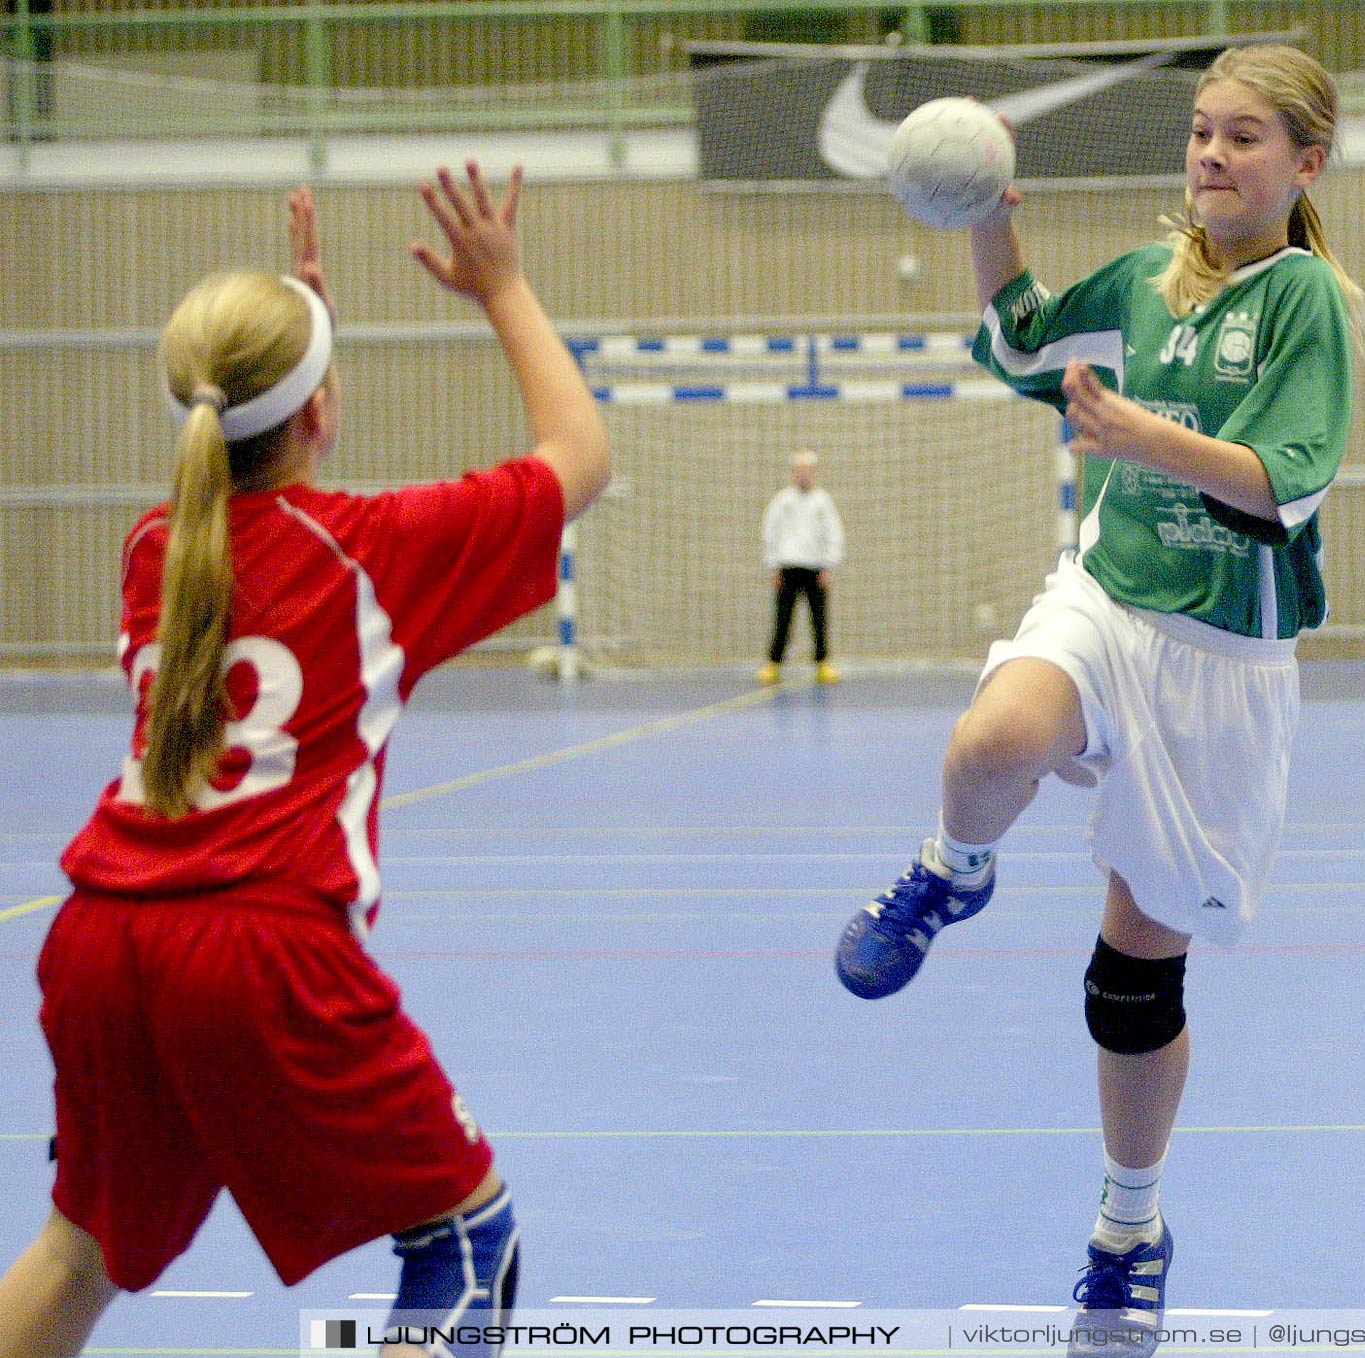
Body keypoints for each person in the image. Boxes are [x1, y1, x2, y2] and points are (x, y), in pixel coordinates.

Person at [0, 162, 608, 1358]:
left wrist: (295, 352)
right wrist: (503, 284)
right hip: (257, 951)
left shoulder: (153, 548)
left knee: (77, 1254)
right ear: (323, 409)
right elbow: (578, 450)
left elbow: (255, 491)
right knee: (464, 1239)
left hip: (101, 938)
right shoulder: (375, 555)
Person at [834, 45, 1362, 1355]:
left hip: (1226, 666)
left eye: (1243, 136)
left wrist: (1148, 438)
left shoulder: (1308, 302)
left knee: (1130, 984)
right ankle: (952, 870)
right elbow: (1021, 342)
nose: (1211, 155)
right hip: (1114, 602)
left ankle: (1130, 1226)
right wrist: (990, 214)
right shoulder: (1144, 281)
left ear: (1305, 163)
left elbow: (1283, 480)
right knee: (992, 740)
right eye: (1199, 131)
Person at [758, 449, 845, 685]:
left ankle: (822, 663)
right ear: (794, 473)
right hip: (788, 567)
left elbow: (834, 534)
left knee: (819, 618)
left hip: (815, 569)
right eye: (799, 470)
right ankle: (773, 663)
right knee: (783, 618)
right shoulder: (782, 500)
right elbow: (770, 531)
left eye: (807, 470)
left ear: (814, 473)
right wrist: (773, 565)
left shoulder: (823, 501)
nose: (803, 474)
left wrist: (830, 565)